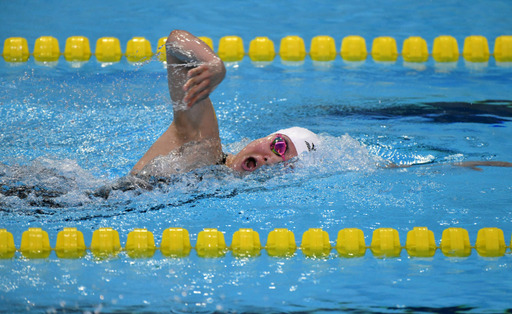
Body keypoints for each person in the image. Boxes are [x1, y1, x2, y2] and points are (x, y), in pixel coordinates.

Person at [130, 30, 319, 178]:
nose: (272, 160)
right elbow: (173, 42)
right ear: (268, 137)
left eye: (285, 167)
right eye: (279, 146)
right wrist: (214, 64)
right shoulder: (202, 144)